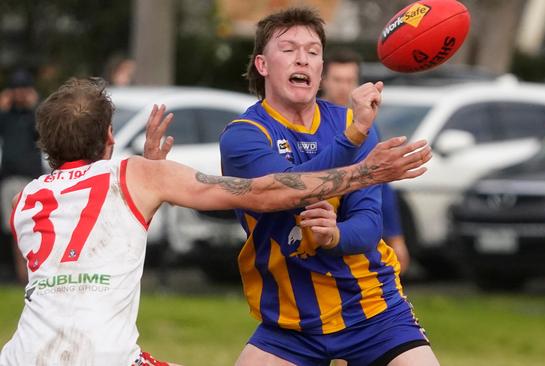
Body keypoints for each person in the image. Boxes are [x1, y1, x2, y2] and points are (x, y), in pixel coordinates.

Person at [0, 77, 431, 365]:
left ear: (46, 143)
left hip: (21, 354)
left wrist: (150, 181)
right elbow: (262, 193)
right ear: (110, 137)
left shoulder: (23, 200)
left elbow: (87, 236)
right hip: (102, 356)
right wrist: (364, 172)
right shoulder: (137, 174)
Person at [219, 8, 438, 366]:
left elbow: (369, 224)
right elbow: (289, 191)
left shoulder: (353, 122)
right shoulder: (244, 135)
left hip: (372, 310)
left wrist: (334, 235)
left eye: (313, 50)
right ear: (262, 65)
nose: (302, 58)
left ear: (321, 68)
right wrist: (353, 140)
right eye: (288, 49)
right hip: (290, 323)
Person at [321, 48, 411, 273]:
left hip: (354, 231)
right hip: (315, 226)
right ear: (324, 80)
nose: (343, 86)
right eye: (337, 79)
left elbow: (381, 184)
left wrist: (396, 237)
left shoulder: (366, 125)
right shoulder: (308, 121)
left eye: (350, 80)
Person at [0, 69, 43, 284]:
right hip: (9, 178)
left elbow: (44, 134)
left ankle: (33, 273)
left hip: (31, 180)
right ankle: (20, 275)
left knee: (34, 227)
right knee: (14, 230)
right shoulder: (6, 116)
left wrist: (35, 106)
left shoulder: (35, 116)